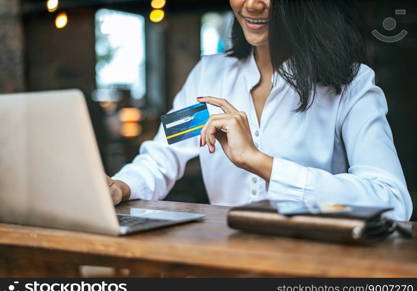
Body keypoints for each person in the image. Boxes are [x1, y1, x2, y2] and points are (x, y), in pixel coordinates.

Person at [107, 0, 413, 220]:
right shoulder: (210, 75)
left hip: (316, 266)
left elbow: (392, 199)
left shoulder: (351, 83)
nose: (253, 5)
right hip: (224, 260)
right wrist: (121, 186)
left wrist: (260, 162)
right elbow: (161, 157)